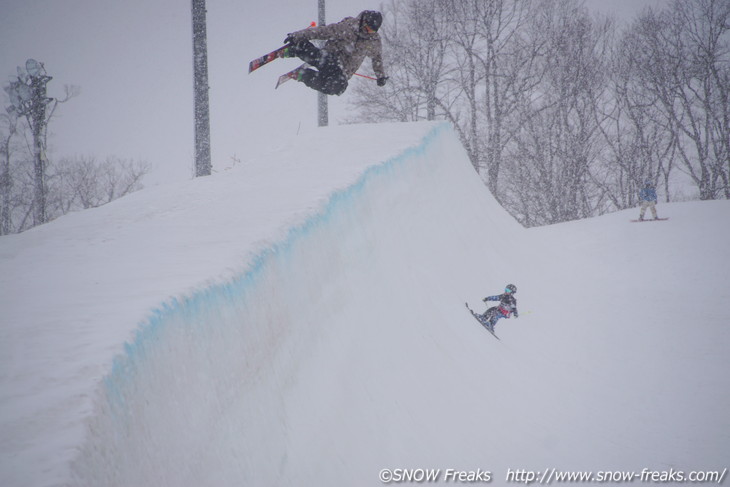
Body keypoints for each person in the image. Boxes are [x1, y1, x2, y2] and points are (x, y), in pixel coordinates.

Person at [281, 10, 388, 96]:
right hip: (332, 57)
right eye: (368, 28)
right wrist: (298, 35)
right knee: (323, 60)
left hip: (343, 72)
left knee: (338, 87)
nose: (369, 32)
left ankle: (303, 75)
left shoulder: (373, 41)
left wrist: (380, 76)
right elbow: (323, 32)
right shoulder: (349, 27)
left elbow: (377, 57)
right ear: (364, 22)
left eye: (372, 31)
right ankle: (297, 48)